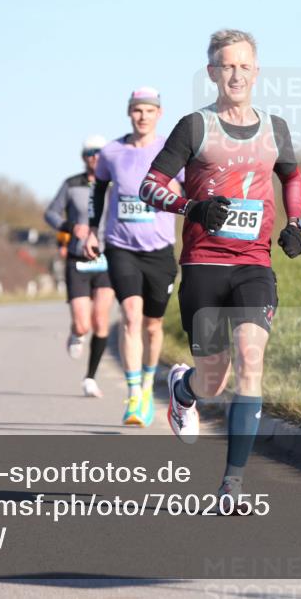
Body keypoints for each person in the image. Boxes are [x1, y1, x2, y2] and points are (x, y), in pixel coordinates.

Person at [138, 30, 301, 507]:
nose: (236, 74)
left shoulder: (275, 127)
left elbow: (291, 175)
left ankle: (231, 484)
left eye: (244, 66)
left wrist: (295, 224)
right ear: (213, 72)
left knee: (252, 358)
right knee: (216, 379)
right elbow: (151, 186)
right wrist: (193, 207)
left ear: (256, 72)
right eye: (226, 66)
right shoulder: (195, 127)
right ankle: (184, 388)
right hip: (203, 263)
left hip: (254, 264)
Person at [85, 88, 184, 427]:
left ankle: (145, 383)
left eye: (148, 110)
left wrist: (179, 195)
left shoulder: (171, 150)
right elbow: (97, 193)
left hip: (159, 249)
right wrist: (89, 230)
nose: (142, 116)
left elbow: (192, 190)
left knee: (153, 327)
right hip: (120, 245)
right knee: (131, 316)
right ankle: (132, 396)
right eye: (137, 110)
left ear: (159, 113)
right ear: (129, 113)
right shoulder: (112, 152)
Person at [44, 135, 114, 398]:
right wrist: (70, 227)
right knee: (84, 324)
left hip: (107, 259)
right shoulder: (71, 184)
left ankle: (90, 378)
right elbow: (50, 213)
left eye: (99, 153)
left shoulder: (113, 186)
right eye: (89, 153)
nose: (94, 157)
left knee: (101, 319)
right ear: (83, 157)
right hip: (77, 258)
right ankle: (76, 334)